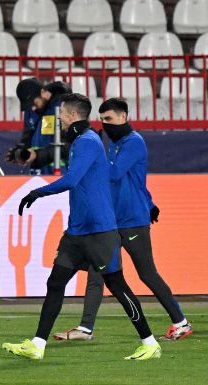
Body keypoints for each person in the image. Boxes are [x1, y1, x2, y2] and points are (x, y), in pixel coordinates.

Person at [2, 93, 162, 361]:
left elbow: (72, 179)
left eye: (62, 113)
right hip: (77, 230)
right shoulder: (82, 141)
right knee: (56, 283)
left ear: (73, 115)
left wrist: (37, 194)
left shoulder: (87, 141)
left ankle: (149, 341)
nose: (60, 118)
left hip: (99, 231)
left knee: (118, 285)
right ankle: (38, 344)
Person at [53, 98, 192, 342]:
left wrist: (93, 156)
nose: (106, 124)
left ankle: (180, 321)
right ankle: (86, 328)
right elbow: (134, 180)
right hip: (112, 221)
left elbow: (115, 174)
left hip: (131, 220)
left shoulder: (134, 142)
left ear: (124, 117)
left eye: (110, 119)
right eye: (103, 119)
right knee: (97, 274)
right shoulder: (114, 145)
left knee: (147, 273)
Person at [6, 78, 71, 174]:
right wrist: (20, 151)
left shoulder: (64, 107)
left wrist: (37, 155)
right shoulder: (30, 111)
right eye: (29, 105)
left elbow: (67, 145)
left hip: (60, 172)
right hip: (36, 172)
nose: (32, 107)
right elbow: (27, 137)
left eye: (35, 102)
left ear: (43, 92)